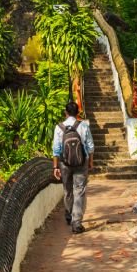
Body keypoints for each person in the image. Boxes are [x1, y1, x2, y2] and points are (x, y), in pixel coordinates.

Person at [52, 98, 94, 233]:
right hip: (81, 163)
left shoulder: (59, 128)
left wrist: (55, 167)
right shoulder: (83, 126)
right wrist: (91, 162)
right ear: (78, 112)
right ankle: (77, 223)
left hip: (65, 163)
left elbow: (56, 149)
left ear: (65, 112)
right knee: (79, 191)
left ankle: (69, 215)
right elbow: (90, 147)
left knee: (67, 190)